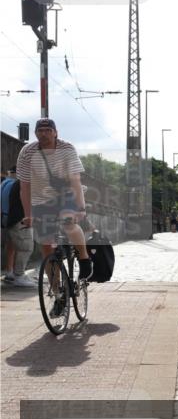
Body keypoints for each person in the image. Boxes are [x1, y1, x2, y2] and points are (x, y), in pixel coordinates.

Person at [16, 119, 92, 313]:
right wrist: (28, 215)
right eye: (40, 131)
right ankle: (59, 294)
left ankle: (84, 259)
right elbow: (24, 187)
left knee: (68, 222)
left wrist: (80, 208)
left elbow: (75, 179)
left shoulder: (67, 149)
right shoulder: (27, 153)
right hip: (41, 200)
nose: (44, 134)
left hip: (67, 194)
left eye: (48, 130)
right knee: (47, 248)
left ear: (56, 133)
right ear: (35, 134)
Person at [1, 168, 35, 288]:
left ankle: (11, 273)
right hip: (19, 219)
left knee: (12, 246)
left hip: (7, 218)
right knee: (26, 248)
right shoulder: (24, 184)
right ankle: (19, 276)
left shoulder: (6, 183)